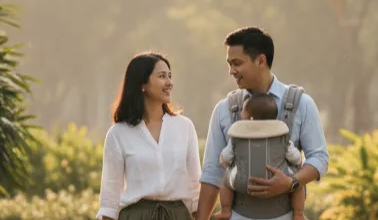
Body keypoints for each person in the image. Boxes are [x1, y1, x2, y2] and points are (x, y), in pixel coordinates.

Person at [197, 27, 329, 220]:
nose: (231, 71)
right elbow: (212, 172)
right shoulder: (224, 109)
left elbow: (319, 157)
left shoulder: (302, 103)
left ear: (261, 60)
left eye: (237, 63)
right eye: (229, 64)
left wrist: (291, 182)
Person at [98, 52, 201, 220]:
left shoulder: (184, 127)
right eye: (162, 76)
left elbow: (195, 186)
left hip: (178, 215)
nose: (169, 83)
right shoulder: (118, 134)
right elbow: (110, 198)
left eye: (170, 76)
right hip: (135, 215)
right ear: (142, 84)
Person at [216, 93, 306, 220]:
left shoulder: (237, 136)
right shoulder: (281, 136)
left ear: (251, 119)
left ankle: (225, 211)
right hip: (278, 177)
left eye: (243, 114)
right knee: (298, 182)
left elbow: (225, 157)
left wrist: (227, 164)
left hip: (243, 181)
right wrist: (296, 164)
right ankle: (299, 214)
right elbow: (296, 158)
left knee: (225, 181)